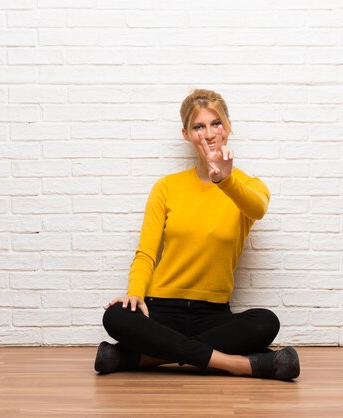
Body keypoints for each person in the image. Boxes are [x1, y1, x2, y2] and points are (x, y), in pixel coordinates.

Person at [95, 89, 299, 381]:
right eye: (198, 126)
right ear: (186, 134)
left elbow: (258, 209)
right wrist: (136, 293)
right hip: (161, 311)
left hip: (213, 315)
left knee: (266, 322)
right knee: (114, 316)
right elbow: (146, 253)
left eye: (216, 123)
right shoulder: (167, 187)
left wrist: (225, 180)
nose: (209, 133)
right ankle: (239, 365)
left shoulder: (246, 185)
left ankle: (145, 358)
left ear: (228, 128)